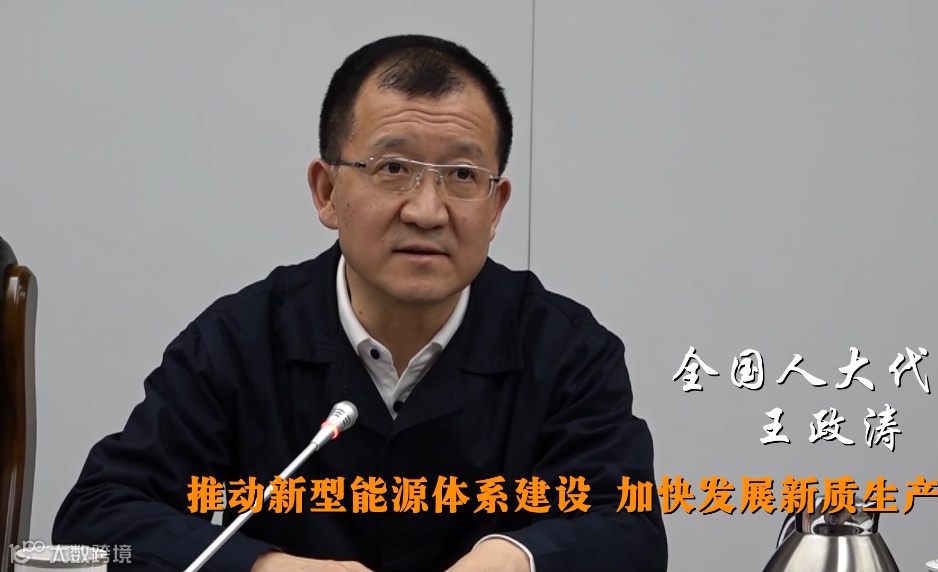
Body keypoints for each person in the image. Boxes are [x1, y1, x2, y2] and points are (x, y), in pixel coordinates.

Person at [52, 34, 668, 572]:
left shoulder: (565, 348)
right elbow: (97, 521)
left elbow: (630, 531)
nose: (426, 211)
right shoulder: (240, 339)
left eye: (462, 175)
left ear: (496, 206)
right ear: (326, 191)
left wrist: (517, 557)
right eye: (393, 167)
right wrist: (263, 566)